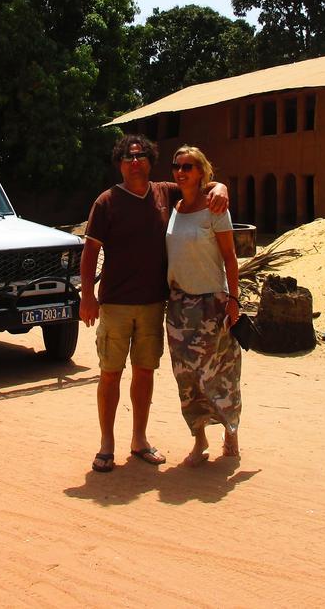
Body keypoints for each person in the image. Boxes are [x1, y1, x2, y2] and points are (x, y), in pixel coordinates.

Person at [79, 134, 227, 473]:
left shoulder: (165, 193)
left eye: (141, 156)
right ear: (119, 163)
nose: (135, 162)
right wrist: (88, 296)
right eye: (128, 157)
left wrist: (222, 189)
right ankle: (106, 444)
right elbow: (90, 251)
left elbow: (201, 183)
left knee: (144, 372)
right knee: (110, 374)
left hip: (153, 304)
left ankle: (139, 440)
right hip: (115, 304)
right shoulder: (107, 202)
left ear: (150, 160)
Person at [165, 146, 242, 465]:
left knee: (220, 373)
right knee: (187, 377)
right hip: (179, 307)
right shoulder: (175, 205)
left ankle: (231, 431)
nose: (181, 171)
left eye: (189, 166)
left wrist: (234, 299)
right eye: (177, 166)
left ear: (201, 172)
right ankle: (199, 439)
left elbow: (230, 257)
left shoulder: (215, 207)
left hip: (212, 303)